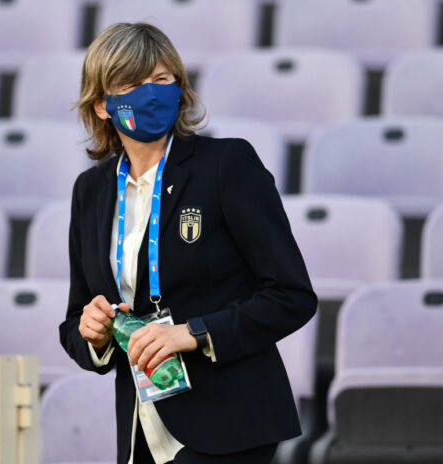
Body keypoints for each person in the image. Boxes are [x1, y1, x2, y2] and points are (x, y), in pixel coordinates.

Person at [59, 22, 318, 464]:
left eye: (162, 79)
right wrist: (94, 334)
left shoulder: (227, 164)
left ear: (180, 88)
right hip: (142, 427)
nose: (151, 93)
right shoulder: (91, 190)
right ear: (102, 105)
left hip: (230, 424)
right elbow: (74, 322)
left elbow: (291, 296)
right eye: (132, 84)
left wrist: (193, 333)